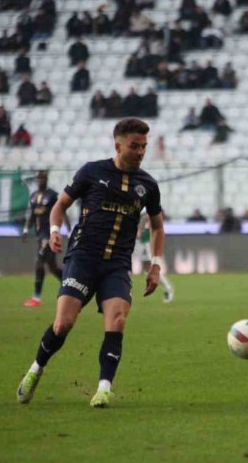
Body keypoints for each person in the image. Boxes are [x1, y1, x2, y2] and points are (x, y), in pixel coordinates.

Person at [15, 118, 166, 408]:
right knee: (63, 324)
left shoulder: (147, 184)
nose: (140, 151)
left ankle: (104, 389)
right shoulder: (92, 171)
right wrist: (56, 231)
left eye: (144, 146)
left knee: (117, 320)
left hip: (117, 265)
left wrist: (156, 265)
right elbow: (60, 206)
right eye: (135, 146)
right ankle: (36, 369)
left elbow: (158, 226)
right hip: (82, 259)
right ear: (117, 145)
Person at [22, 171, 64, 307]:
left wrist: (63, 228)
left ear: (46, 179)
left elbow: (60, 210)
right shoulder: (34, 196)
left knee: (39, 262)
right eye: (40, 178)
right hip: (40, 235)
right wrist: (26, 229)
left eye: (44, 178)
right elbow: (32, 216)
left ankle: (36, 298)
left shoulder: (52, 195)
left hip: (49, 235)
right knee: (53, 267)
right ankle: (72, 284)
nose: (41, 181)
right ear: (37, 180)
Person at [134, 209, 174, 303]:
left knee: (152, 269)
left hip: (147, 245)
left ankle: (168, 288)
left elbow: (142, 232)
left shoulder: (149, 222)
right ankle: (166, 287)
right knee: (147, 269)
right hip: (141, 244)